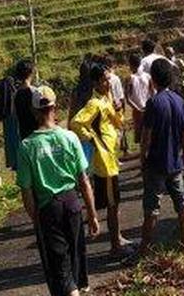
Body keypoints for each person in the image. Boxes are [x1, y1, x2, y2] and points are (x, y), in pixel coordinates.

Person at [18, 85, 101, 296]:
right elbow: (83, 180)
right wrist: (91, 214)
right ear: (55, 108)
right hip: (72, 204)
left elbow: (27, 191)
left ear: (34, 111)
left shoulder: (27, 146)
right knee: (74, 262)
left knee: (60, 269)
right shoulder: (69, 138)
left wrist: (36, 219)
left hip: (49, 208)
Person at [70, 63, 133, 256]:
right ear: (97, 82)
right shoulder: (94, 103)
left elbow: (119, 123)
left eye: (109, 78)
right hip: (104, 162)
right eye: (105, 79)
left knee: (116, 202)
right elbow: (76, 123)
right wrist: (94, 140)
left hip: (111, 159)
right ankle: (115, 245)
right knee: (112, 204)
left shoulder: (106, 100)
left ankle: (118, 237)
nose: (109, 82)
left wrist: (120, 109)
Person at [138, 59, 184, 256]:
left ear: (153, 79)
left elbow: (146, 137)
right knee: (181, 203)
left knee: (152, 208)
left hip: (156, 163)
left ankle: (145, 248)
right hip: (175, 162)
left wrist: (142, 158)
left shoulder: (153, 103)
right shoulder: (179, 100)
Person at [125, 53, 152, 147]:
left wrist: (137, 108)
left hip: (138, 110)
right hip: (148, 108)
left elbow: (127, 98)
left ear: (130, 65)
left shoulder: (130, 78)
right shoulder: (147, 76)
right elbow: (153, 93)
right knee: (150, 133)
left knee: (141, 136)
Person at [165, 46, 184, 125]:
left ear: (173, 52)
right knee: (176, 103)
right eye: (167, 52)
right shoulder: (166, 63)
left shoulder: (178, 61)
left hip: (181, 84)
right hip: (172, 86)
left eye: (170, 52)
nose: (168, 53)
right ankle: (181, 120)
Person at [13, 60, 38, 140]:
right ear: (31, 73)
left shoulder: (15, 94)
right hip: (37, 133)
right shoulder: (35, 92)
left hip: (24, 134)